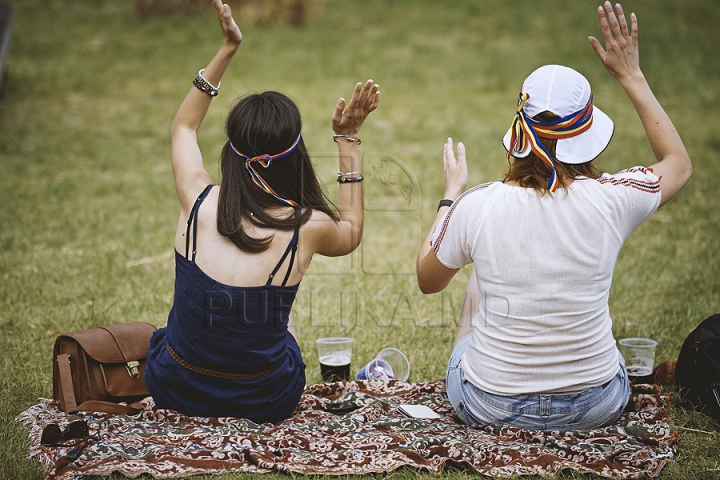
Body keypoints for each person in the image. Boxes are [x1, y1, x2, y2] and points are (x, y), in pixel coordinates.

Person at [416, 2, 691, 431]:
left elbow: (427, 280)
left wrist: (450, 197)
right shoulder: (614, 199)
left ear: (519, 130)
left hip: (491, 405)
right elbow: (678, 162)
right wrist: (630, 74)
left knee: (477, 273)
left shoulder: (478, 204)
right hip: (596, 404)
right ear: (586, 132)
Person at [144, 0, 380, 423]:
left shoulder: (195, 199)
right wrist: (348, 140)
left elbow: (183, 127)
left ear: (232, 152)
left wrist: (227, 49)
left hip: (175, 388)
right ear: (294, 157)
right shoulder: (308, 229)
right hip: (265, 399)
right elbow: (352, 228)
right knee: (283, 324)